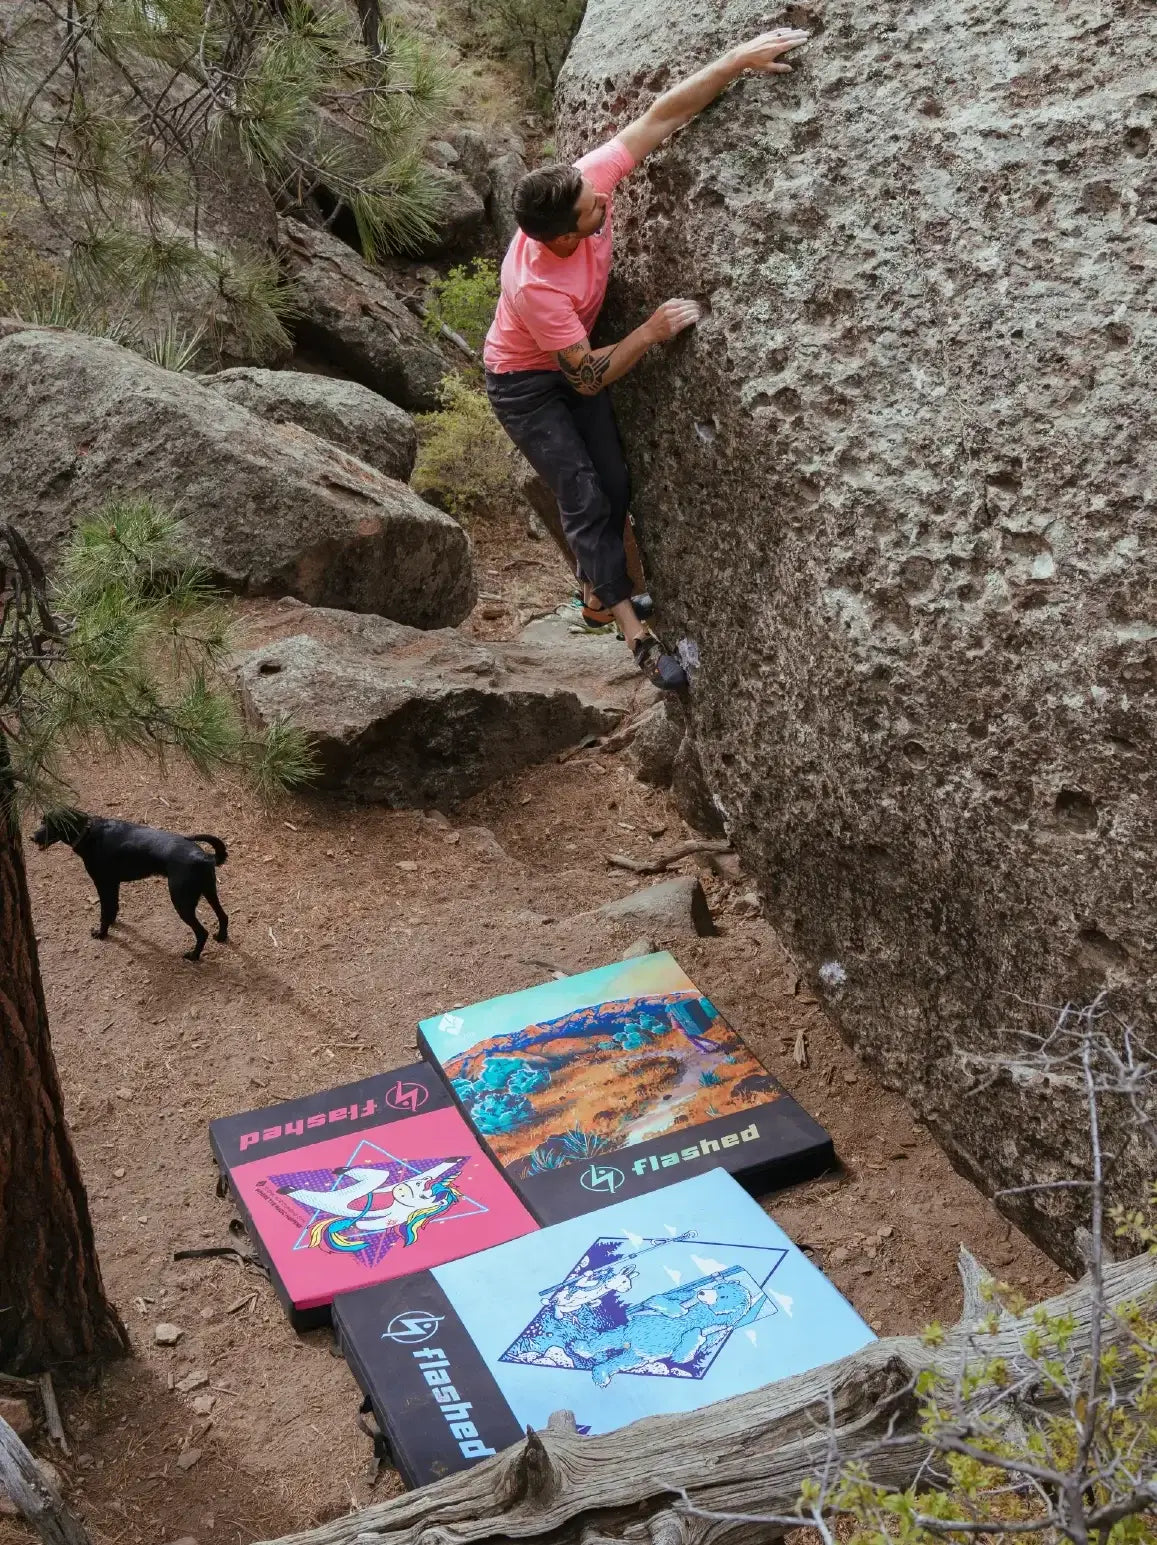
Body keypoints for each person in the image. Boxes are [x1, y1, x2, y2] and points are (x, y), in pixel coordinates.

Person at [483, 28, 809, 691]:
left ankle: (600, 588)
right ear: (561, 235)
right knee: (583, 491)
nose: (603, 201)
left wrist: (733, 61)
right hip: (525, 382)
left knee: (616, 481)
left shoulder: (583, 184)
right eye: (589, 211)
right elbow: (586, 373)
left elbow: (660, 116)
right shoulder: (536, 285)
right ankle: (632, 635)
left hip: (571, 361)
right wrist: (651, 332)